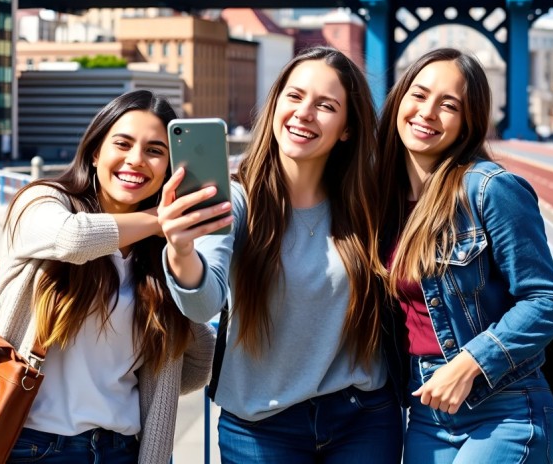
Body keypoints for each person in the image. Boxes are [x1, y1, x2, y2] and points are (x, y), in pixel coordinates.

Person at [158, 47, 402, 463]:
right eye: (294, 96)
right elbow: (202, 305)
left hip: (362, 418)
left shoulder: (370, 205)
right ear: (275, 106)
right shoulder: (235, 199)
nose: (304, 113)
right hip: (260, 426)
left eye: (326, 106)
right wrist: (181, 249)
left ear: (347, 128)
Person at [0, 90, 215, 464]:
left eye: (155, 151)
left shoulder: (158, 254)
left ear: (169, 169)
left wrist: (180, 256)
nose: (136, 160)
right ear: (95, 152)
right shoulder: (42, 202)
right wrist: (162, 221)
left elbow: (198, 358)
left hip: (119, 449)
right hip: (33, 445)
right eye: (122, 144)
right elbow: (71, 239)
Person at [376, 48, 553, 462]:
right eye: (419, 94)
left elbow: (549, 301)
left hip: (504, 406)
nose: (427, 112)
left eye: (449, 105)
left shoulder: (488, 189)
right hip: (428, 411)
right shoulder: (381, 201)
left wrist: (471, 362)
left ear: (468, 122)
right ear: (398, 99)